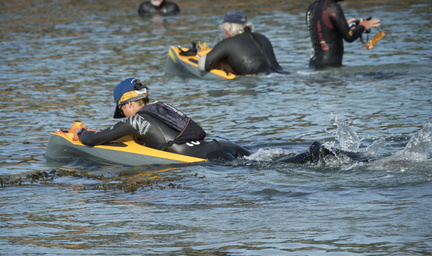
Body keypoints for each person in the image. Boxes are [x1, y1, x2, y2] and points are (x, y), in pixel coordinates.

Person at [73, 77, 250, 161]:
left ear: (127, 105)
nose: (124, 116)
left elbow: (93, 139)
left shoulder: (135, 122)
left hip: (208, 159)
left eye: (121, 111)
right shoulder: (159, 108)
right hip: (223, 146)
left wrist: (80, 132)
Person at [198, 11, 287, 75]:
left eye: (224, 29)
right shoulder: (263, 38)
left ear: (228, 28)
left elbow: (204, 65)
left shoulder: (228, 43)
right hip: (282, 73)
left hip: (260, 79)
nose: (224, 33)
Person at [306, 0, 381, 69]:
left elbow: (324, 33)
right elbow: (350, 37)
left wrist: (344, 27)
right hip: (330, 65)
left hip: (314, 64)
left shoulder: (312, 7)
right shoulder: (332, 6)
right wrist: (362, 26)